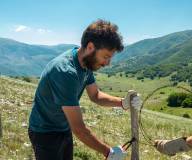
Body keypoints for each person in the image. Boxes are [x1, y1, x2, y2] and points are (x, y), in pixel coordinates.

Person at [28, 19, 142, 160]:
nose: (107, 63)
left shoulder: (85, 63)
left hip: (63, 128)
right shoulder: (65, 72)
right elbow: (79, 129)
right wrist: (109, 152)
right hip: (45, 131)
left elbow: (95, 95)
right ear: (90, 47)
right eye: (106, 56)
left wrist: (123, 103)